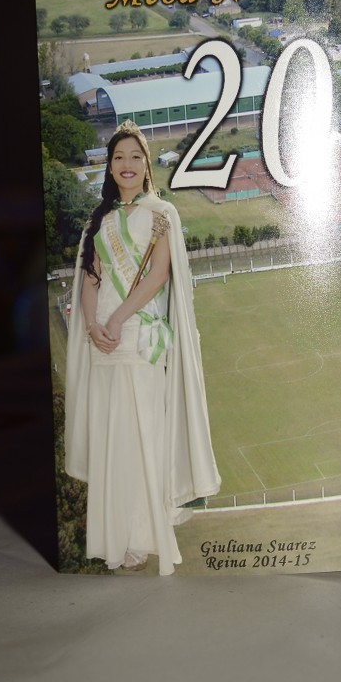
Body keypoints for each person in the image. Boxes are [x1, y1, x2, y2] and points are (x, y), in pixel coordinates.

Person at [64, 120, 221, 575]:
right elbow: (91, 276)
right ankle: (120, 539)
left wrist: (116, 320)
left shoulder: (161, 212)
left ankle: (146, 535)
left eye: (135, 156)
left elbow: (158, 276)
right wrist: (93, 325)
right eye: (119, 157)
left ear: (146, 164)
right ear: (110, 167)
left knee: (144, 438)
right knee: (113, 440)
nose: (127, 164)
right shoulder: (100, 219)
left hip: (138, 335)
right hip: (104, 340)